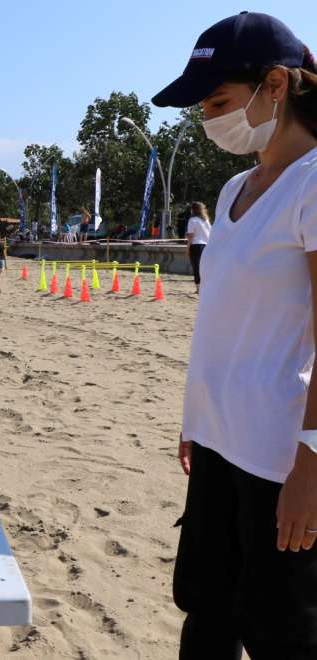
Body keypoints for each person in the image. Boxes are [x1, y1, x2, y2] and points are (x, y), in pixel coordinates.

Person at [153, 12, 317, 659]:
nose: (207, 119)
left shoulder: (313, 183)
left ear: (275, 85)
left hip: (280, 456)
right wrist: (196, 415)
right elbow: (224, 315)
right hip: (218, 442)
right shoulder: (232, 191)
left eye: (218, 102)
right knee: (206, 610)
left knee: (281, 630)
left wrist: (312, 460)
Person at [185, 202, 212, 294]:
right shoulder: (206, 220)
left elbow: (190, 235)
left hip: (196, 245)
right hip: (207, 245)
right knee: (205, 267)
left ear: (193, 209)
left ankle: (199, 288)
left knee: (196, 267)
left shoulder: (193, 220)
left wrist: (188, 248)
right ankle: (206, 286)